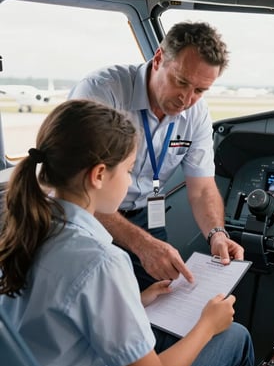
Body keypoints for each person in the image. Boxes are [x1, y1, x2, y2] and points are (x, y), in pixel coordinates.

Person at [0, 99, 254, 366]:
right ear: (100, 175)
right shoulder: (101, 261)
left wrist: (137, 299)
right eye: (130, 170)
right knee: (235, 337)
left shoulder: (22, 225)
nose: (131, 181)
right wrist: (208, 324)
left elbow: (56, 313)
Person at [69, 21, 245, 289]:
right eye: (181, 82)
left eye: (199, 90)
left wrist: (216, 234)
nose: (186, 99)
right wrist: (141, 244)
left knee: (168, 293)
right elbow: (78, 188)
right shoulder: (102, 92)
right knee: (101, 294)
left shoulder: (196, 114)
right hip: (88, 212)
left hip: (145, 215)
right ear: (159, 59)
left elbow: (202, 189)